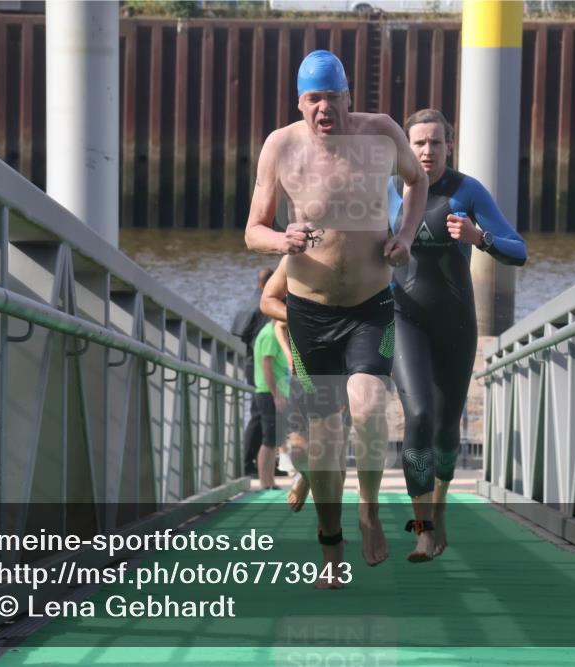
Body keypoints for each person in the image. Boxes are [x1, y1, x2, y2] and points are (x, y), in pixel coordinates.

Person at [245, 50, 428, 587]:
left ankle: (368, 510)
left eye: (333, 97)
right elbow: (253, 228)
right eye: (313, 99)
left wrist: (405, 235)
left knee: (370, 405)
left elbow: (416, 182)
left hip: (371, 306)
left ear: (350, 95)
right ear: (300, 103)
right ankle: (332, 552)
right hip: (311, 314)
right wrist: (282, 238)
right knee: (324, 445)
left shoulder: (381, 134)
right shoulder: (281, 147)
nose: (325, 109)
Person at [391, 109, 527, 562]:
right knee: (419, 415)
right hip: (403, 317)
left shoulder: (467, 191)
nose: (426, 152)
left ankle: (441, 505)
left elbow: (518, 250)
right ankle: (423, 530)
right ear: (405, 147)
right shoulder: (389, 189)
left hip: (456, 321)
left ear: (450, 145)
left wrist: (478, 235)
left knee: (447, 431)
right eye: (418, 143)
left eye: (435, 143)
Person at [230, 268, 274, 476]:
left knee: (259, 413)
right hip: (261, 365)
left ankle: (259, 464)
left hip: (250, 362)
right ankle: (249, 464)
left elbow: (238, 336)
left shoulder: (246, 306)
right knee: (260, 414)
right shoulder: (265, 307)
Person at [253, 316, 291, 489]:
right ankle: (264, 482)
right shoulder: (269, 334)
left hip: (275, 391)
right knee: (268, 439)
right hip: (268, 392)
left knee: (273, 438)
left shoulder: (274, 333)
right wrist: (276, 395)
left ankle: (270, 481)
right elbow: (266, 366)